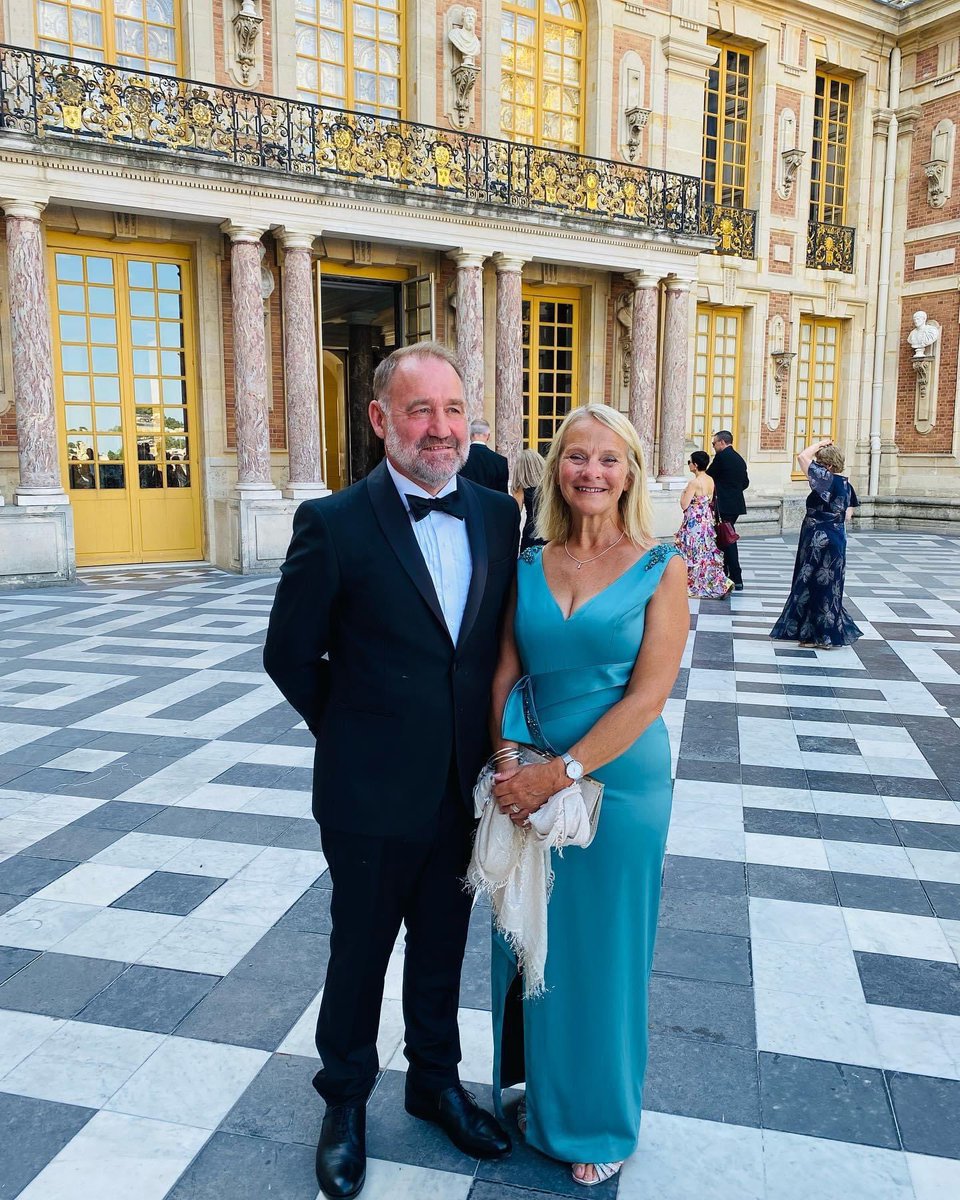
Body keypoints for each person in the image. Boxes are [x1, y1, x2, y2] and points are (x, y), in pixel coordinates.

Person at [264, 343, 517, 1200]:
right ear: (381, 421)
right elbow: (290, 654)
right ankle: (344, 1103)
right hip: (368, 792)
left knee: (443, 947)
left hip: (461, 785)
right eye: (420, 411)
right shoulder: (332, 523)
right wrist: (354, 732)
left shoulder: (495, 512)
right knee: (359, 952)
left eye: (453, 409)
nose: (441, 429)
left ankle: (435, 1080)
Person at [486, 404, 688, 1187]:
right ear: (557, 468)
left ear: (631, 471)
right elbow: (506, 666)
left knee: (607, 950)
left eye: (609, 459)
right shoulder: (530, 560)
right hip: (529, 771)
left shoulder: (658, 565)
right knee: (536, 940)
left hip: (622, 781)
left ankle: (603, 1119)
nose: (591, 473)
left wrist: (560, 773)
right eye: (577, 457)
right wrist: (508, 762)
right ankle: (547, 1095)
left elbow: (648, 696)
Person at [770, 439, 862, 649]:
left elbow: (802, 457)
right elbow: (848, 515)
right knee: (830, 586)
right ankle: (820, 635)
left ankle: (816, 635)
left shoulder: (826, 480)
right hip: (837, 538)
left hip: (817, 539)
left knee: (809, 583)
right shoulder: (846, 485)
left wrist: (820, 443)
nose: (816, 467)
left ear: (828, 466)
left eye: (820, 463)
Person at [676, 449, 732, 598]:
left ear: (695, 465)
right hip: (706, 521)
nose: (689, 465)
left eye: (689, 462)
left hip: (695, 521)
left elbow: (684, 504)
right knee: (705, 551)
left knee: (691, 550)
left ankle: (693, 583)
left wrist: (683, 493)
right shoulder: (710, 480)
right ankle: (710, 581)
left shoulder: (694, 482)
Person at [706, 429, 749, 591]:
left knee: (727, 539)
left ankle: (735, 576)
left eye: (714, 443)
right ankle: (726, 574)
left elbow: (708, 477)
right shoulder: (739, 458)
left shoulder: (722, 457)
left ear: (722, 442)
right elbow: (745, 482)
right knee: (725, 538)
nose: (713, 446)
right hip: (735, 504)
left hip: (723, 505)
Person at [459, 418, 510, 493]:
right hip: (491, 504)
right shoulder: (500, 461)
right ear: (488, 436)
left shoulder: (460, 459)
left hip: (466, 504)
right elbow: (503, 494)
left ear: (470, 435)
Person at [512, 447, 547, 554]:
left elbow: (515, 514)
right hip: (551, 528)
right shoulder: (551, 486)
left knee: (529, 566)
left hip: (531, 531)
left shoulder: (521, 489)